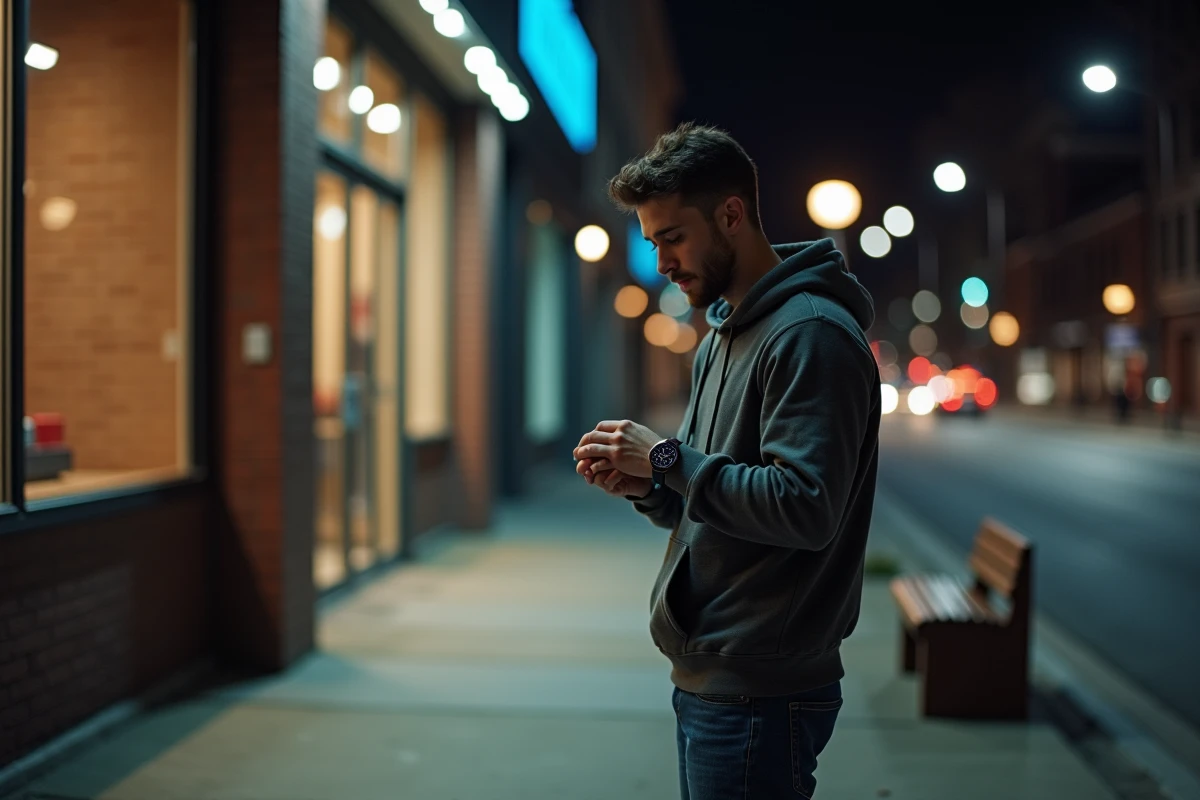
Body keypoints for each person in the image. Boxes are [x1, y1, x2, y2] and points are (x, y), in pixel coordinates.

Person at [573, 122, 881, 799]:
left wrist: (664, 455)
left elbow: (804, 508)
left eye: (673, 237)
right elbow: (711, 497)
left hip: (760, 683)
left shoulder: (809, 334)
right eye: (653, 242)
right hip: (716, 672)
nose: (662, 261)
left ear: (732, 215)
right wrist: (648, 484)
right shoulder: (720, 336)